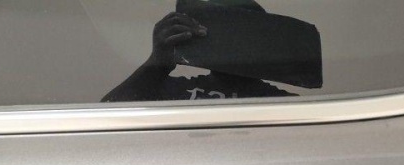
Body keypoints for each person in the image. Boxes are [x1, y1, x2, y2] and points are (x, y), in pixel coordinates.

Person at [102, 0, 297, 102]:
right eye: (222, 30)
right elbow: (111, 115)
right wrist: (158, 63)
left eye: (244, 33)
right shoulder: (167, 89)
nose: (232, 42)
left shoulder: (284, 104)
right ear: (204, 35)